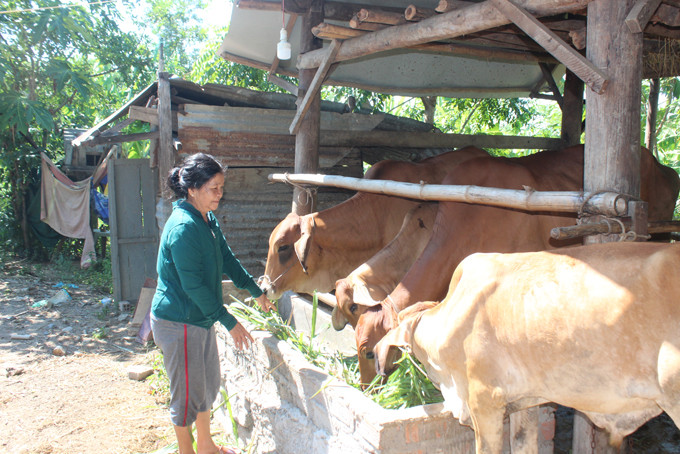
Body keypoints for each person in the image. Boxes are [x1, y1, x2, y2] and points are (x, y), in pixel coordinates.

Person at [151, 153, 276, 454]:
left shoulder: (207, 219)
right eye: (214, 188)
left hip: (199, 319)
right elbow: (193, 286)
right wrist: (230, 322)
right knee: (185, 394)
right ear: (192, 189)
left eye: (221, 187)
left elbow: (228, 260)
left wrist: (254, 290)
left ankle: (205, 445)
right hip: (178, 321)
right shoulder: (183, 228)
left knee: (206, 383)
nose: (220, 194)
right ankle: (187, 451)